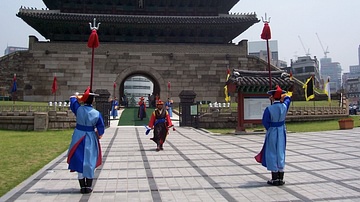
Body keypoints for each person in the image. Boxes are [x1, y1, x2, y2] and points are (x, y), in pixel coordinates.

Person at [67, 87, 105, 194]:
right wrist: (99, 135)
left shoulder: (78, 109)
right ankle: (88, 186)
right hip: (90, 136)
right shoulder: (96, 113)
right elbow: (101, 127)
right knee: (89, 159)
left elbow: (72, 99)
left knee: (79, 158)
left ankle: (82, 186)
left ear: (84, 99)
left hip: (78, 136)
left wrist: (78, 96)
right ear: (92, 101)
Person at [255, 85, 292, 186]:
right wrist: (284, 96)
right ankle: (280, 177)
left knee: (272, 152)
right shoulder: (284, 106)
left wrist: (270, 128)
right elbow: (289, 99)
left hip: (272, 131)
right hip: (281, 130)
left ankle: (274, 177)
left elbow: (265, 121)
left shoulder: (269, 109)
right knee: (280, 151)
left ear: (272, 97)